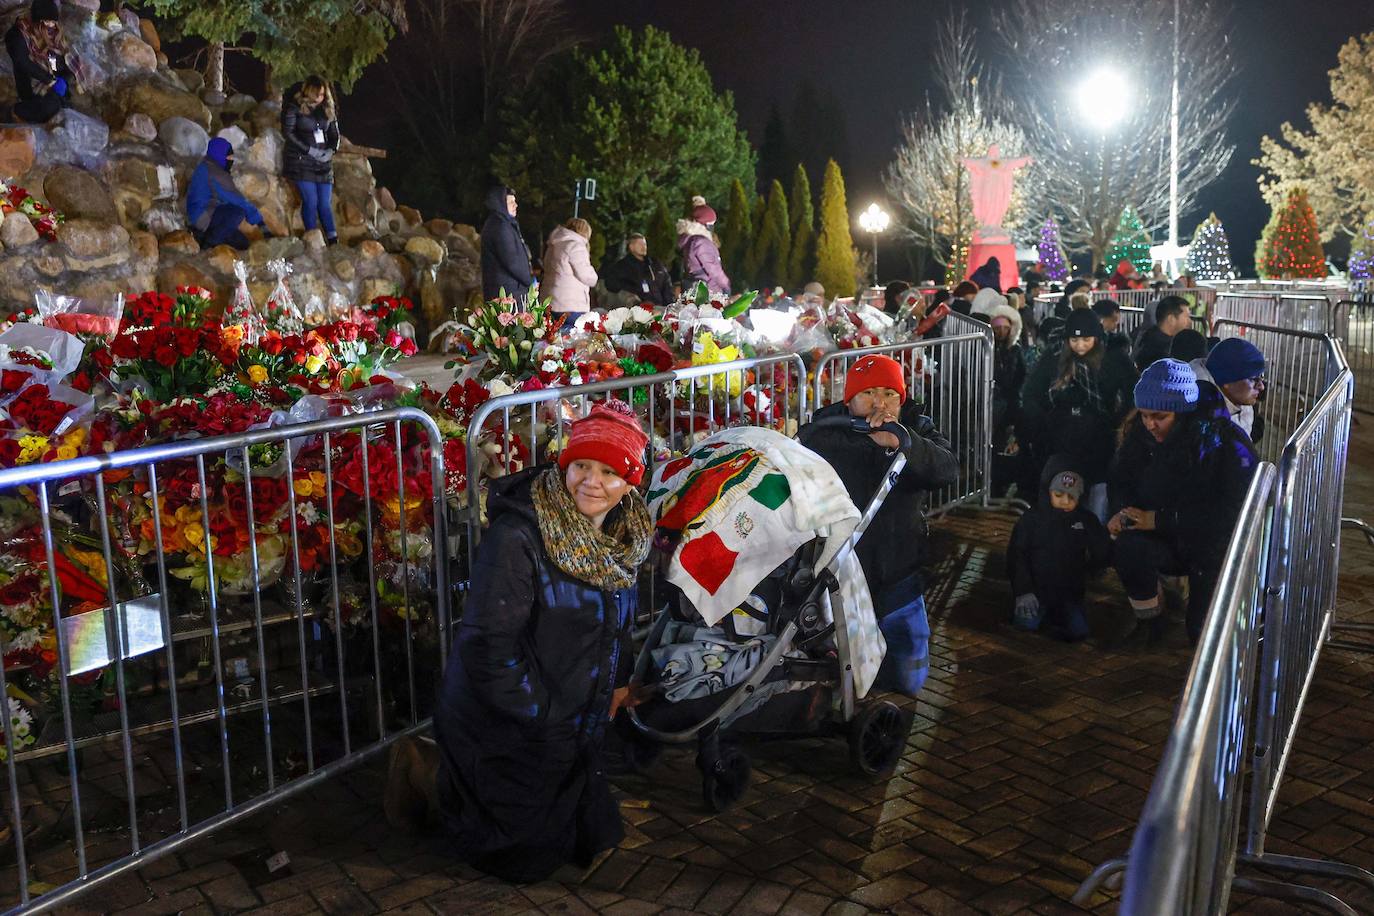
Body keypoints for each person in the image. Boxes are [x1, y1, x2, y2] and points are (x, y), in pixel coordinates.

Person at [385, 402, 653, 881]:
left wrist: (617, 683)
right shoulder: (517, 538)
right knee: (516, 860)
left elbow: (618, 616)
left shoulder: (626, 531)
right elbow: (488, 645)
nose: (592, 482)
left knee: (585, 835)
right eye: (581, 466)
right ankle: (428, 772)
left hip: (572, 708)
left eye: (610, 472)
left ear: (631, 481)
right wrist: (539, 713)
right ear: (563, 465)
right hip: (507, 715)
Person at [799, 354, 958, 694]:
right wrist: (870, 447)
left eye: (889, 393)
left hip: (901, 560)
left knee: (906, 659)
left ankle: (904, 693)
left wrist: (904, 444)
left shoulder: (918, 427)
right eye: (869, 393)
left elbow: (946, 469)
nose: (879, 403)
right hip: (846, 563)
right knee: (847, 651)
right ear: (851, 400)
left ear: (902, 399)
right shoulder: (826, 431)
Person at [1109, 359, 1258, 642]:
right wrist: (1123, 511)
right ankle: (1150, 619)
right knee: (1127, 547)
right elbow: (1121, 478)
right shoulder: (1140, 436)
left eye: (1159, 417)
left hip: (1212, 549)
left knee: (1201, 635)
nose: (1149, 424)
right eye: (1143, 415)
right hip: (1167, 539)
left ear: (1181, 412)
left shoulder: (1226, 443)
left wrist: (1159, 519)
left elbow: (1230, 514)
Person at [1022, 309, 1137, 522]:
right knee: (1057, 489)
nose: (1080, 346)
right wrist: (1041, 425)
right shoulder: (1055, 354)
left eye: (1086, 339)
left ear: (1097, 337)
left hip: (1100, 438)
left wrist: (1119, 422)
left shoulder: (1113, 355)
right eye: (1074, 339)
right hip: (1060, 438)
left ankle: (1094, 533)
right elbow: (1032, 392)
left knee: (1097, 494)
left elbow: (1132, 391)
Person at [1008, 458, 1111, 641]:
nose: (1064, 501)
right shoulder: (1031, 520)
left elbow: (1101, 550)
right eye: (1058, 494)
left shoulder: (1085, 520)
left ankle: (1058, 616)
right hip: (1035, 592)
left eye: (1071, 497)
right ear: (1048, 491)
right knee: (1025, 625)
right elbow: (1017, 555)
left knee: (1078, 632)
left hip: (1069, 593)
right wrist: (1023, 590)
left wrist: (1094, 564)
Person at [973, 293, 1028, 495]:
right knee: (992, 444)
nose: (1002, 332)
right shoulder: (986, 350)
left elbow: (1022, 376)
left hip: (1009, 406)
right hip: (992, 404)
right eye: (998, 328)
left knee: (1007, 445)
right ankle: (991, 483)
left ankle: (1001, 482)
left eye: (1006, 328)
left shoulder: (1015, 351)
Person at [281, 76, 340, 245]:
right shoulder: (294, 108)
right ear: (308, 92)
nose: (319, 98)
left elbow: (335, 135)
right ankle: (313, 239)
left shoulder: (328, 109)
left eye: (322, 94)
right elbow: (288, 133)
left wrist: (331, 150)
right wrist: (309, 150)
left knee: (324, 204)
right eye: (317, 94)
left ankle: (333, 239)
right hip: (301, 161)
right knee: (311, 201)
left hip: (323, 163)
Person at [186, 138, 266, 251]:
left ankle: (205, 237)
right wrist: (260, 223)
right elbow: (237, 199)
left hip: (203, 212)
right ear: (219, 155)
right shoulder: (215, 173)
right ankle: (208, 246)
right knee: (238, 212)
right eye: (228, 157)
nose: (230, 160)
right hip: (200, 217)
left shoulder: (206, 165)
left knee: (242, 243)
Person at [5, 0, 75, 124]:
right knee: (49, 108)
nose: (52, 26)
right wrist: (49, 80)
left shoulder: (52, 33)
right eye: (48, 22)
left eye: (54, 22)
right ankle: (15, 111)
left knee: (64, 102)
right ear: (37, 20)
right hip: (30, 85)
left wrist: (63, 77)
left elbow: (57, 58)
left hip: (49, 79)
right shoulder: (17, 35)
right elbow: (22, 62)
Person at [1191, 337, 1266, 441]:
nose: (1261, 386)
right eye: (1253, 379)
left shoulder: (1242, 405)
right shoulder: (1198, 413)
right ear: (1227, 381)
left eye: (1261, 377)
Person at [480, 185, 535, 302]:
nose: (516, 205)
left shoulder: (503, 223)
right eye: (511, 202)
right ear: (500, 204)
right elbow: (512, 261)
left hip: (510, 290)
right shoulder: (500, 226)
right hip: (508, 293)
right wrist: (529, 281)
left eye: (515, 201)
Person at [541, 217, 598, 320]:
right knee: (572, 334)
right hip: (570, 304)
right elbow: (586, 275)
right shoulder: (576, 245)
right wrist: (594, 275)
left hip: (549, 301)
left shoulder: (553, 244)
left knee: (552, 334)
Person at [603, 232, 673, 307]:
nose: (643, 247)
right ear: (631, 247)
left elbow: (667, 284)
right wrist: (633, 290)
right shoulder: (622, 266)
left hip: (661, 307)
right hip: (639, 308)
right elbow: (611, 284)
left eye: (645, 244)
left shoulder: (655, 264)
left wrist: (669, 305)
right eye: (640, 244)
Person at [678, 196, 730, 295]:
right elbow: (713, 268)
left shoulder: (691, 238)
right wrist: (725, 284)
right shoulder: (701, 242)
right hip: (707, 290)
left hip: (698, 287)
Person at [1133, 295, 1193, 372]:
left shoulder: (1148, 337)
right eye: (1186, 317)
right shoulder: (1159, 351)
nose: (1190, 321)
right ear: (1171, 319)